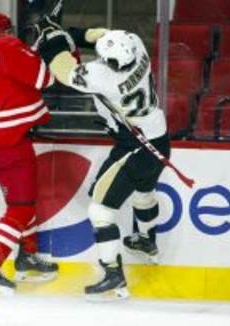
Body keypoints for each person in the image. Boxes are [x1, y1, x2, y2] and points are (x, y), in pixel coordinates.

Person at [34, 19, 171, 300]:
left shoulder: (102, 74)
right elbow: (104, 35)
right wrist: (73, 34)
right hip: (159, 138)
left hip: (134, 146)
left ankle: (113, 276)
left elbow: (63, 70)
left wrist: (54, 37)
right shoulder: (137, 44)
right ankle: (146, 241)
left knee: (100, 211)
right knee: (144, 193)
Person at [0, 12, 59, 295]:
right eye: (8, 31)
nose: (12, 35)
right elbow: (45, 79)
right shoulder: (7, 47)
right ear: (0, 32)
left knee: (19, 202)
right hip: (12, 142)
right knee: (22, 207)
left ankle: (27, 256)